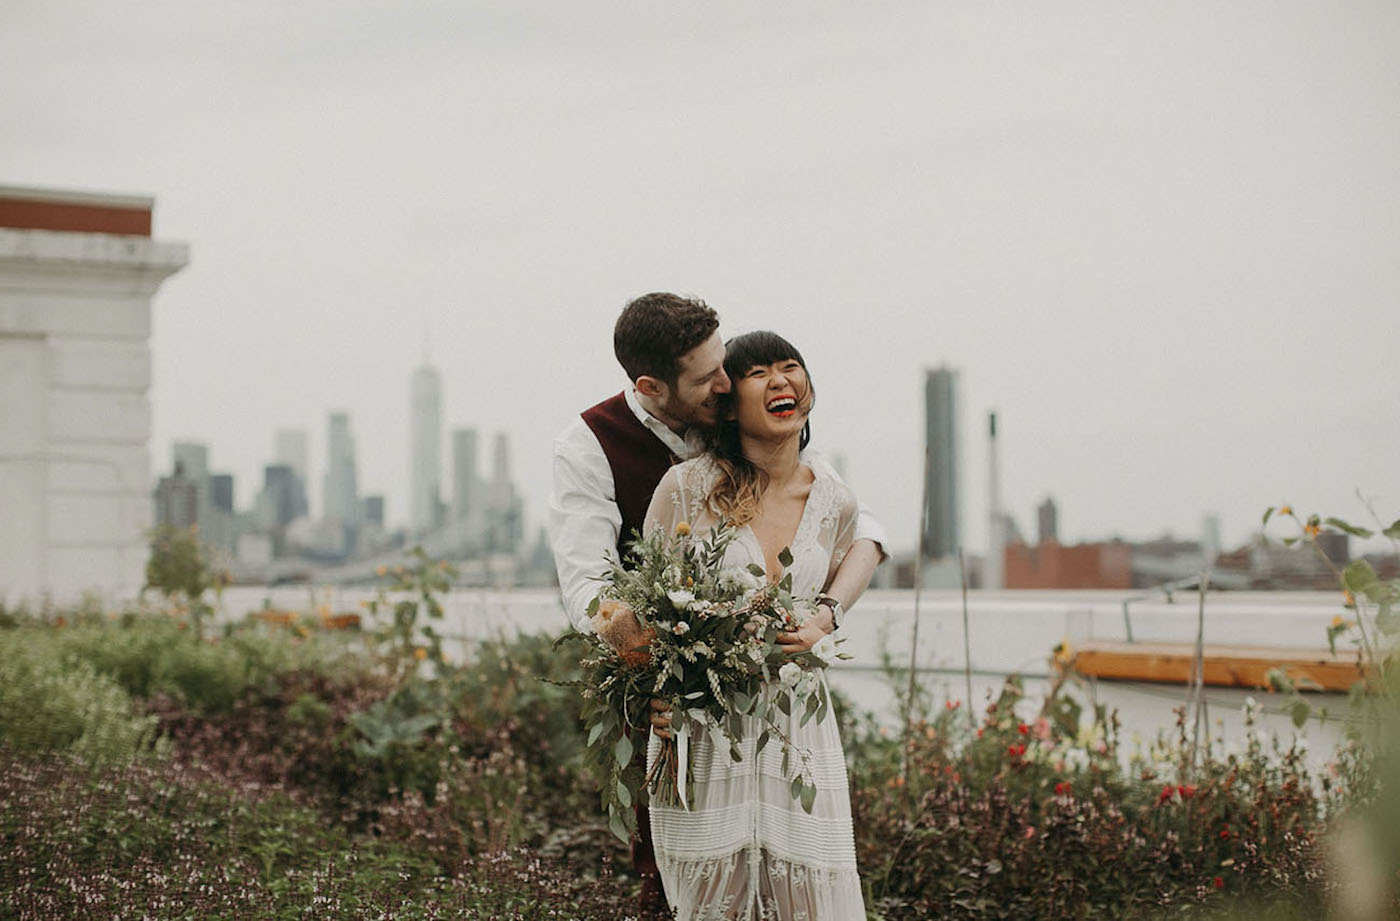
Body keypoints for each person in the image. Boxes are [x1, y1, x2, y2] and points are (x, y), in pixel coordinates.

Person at [550, 295, 884, 918]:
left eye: (725, 367)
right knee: (674, 880)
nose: (726, 383)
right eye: (709, 378)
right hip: (672, 694)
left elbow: (853, 522)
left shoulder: (737, 414)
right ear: (652, 387)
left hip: (783, 716)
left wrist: (828, 614)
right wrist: (649, 667)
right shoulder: (588, 446)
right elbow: (589, 583)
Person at [641, 330, 872, 921]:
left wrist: (825, 620)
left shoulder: (834, 500)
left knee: (809, 902)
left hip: (798, 726)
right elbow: (641, 607)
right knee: (713, 904)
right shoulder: (686, 489)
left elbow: (855, 564)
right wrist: (646, 696)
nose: (779, 381)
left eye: (790, 366)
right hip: (703, 727)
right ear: (729, 399)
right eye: (758, 372)